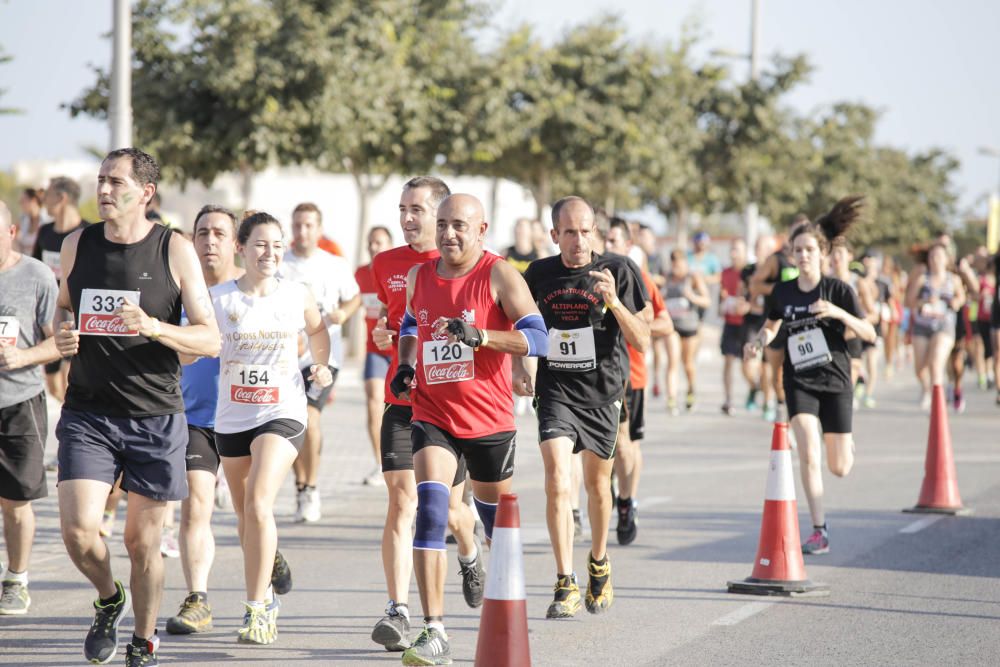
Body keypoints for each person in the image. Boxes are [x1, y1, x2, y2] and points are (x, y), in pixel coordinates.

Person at [53, 148, 220, 666]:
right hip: (88, 413)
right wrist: (60, 332)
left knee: (142, 542)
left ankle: (143, 641)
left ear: (145, 193)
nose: (104, 190)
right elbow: (63, 308)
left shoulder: (174, 249)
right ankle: (109, 597)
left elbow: (210, 339)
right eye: (100, 180)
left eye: (115, 182)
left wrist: (151, 326)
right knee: (81, 532)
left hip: (154, 415)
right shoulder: (77, 243)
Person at [389, 194, 547, 665]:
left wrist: (483, 337)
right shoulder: (421, 275)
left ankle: (505, 605)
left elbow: (538, 336)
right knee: (431, 510)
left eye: (459, 225)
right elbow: (412, 323)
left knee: (498, 526)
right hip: (432, 412)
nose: (448, 234)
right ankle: (433, 629)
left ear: (481, 229)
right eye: (442, 224)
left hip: (489, 419)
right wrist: (405, 364)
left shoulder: (498, 273)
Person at [520, 196, 649, 619]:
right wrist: (520, 369)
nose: (579, 240)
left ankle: (598, 562)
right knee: (558, 478)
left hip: (603, 392)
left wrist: (613, 302)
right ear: (554, 234)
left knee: (597, 485)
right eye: (569, 232)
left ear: (595, 230)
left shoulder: (621, 269)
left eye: (586, 230)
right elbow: (522, 327)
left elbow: (643, 339)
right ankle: (564, 581)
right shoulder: (538, 274)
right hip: (555, 389)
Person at [211, 211, 333, 645]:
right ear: (241, 248)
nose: (270, 252)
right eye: (261, 244)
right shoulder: (219, 298)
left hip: (282, 410)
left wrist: (320, 364)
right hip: (231, 417)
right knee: (246, 515)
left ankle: (258, 608)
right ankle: (269, 561)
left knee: (260, 503)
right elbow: (197, 345)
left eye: (277, 244)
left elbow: (319, 330)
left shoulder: (296, 293)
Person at [369, 177, 480, 652]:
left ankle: (469, 552)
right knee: (400, 500)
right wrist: (380, 338)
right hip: (403, 399)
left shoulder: (459, 264)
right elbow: (386, 321)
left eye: (417, 209)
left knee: (451, 513)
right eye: (403, 209)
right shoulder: (386, 264)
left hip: (451, 406)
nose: (408, 218)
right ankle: (398, 609)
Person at [744, 196, 875, 556]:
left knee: (840, 467)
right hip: (799, 379)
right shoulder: (783, 292)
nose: (802, 255)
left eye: (808, 250)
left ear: (822, 253)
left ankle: (845, 444)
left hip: (835, 380)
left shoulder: (838, 290)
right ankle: (820, 529)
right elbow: (771, 326)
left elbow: (870, 333)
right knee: (807, 450)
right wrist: (758, 342)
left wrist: (837, 313)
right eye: (797, 250)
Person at [163, 205, 248, 635]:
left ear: (235, 244)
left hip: (249, 419)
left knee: (249, 511)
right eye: (201, 233)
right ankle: (198, 599)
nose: (209, 241)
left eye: (218, 233)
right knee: (196, 503)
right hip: (195, 419)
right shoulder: (178, 294)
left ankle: (268, 558)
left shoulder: (251, 293)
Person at [278, 202, 360, 522]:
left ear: (319, 228)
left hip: (323, 357)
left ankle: (310, 487)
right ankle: (301, 485)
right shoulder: (281, 264)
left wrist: (344, 313)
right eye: (297, 225)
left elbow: (354, 296)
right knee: (293, 425)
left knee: (311, 418)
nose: (302, 231)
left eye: (309, 225)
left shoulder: (334, 264)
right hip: (284, 357)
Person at [0, 201, 60, 615]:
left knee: (15, 501)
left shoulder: (37, 277)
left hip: (20, 400)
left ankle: (17, 578)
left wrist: (23, 358)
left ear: (11, 233)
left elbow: (60, 340)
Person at [603, 218, 671, 546]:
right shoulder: (582, 277)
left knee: (626, 445)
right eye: (604, 240)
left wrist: (630, 322)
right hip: (594, 374)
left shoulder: (638, 278)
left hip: (632, 374)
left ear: (628, 246)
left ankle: (627, 500)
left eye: (614, 241)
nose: (607, 247)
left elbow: (665, 323)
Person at [35, 177, 90, 403]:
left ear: (61, 197)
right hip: (49, 313)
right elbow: (35, 268)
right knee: (55, 385)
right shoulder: (45, 232)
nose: (44, 201)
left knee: (71, 379)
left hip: (76, 314)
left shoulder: (88, 233)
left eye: (47, 195)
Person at [750, 214, 810, 422]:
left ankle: (799, 412)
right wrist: (779, 289)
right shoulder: (777, 259)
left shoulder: (813, 259)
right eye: (797, 231)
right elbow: (755, 285)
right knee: (777, 373)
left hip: (803, 323)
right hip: (777, 321)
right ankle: (780, 405)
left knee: (802, 370)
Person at [355, 225, 395, 486]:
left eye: (379, 243)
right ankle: (380, 462)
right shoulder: (360, 273)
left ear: (389, 245)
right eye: (370, 243)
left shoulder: (396, 271)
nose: (373, 247)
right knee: (373, 402)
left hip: (401, 349)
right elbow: (354, 304)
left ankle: (404, 459)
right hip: (374, 350)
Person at [906, 242, 966, 411]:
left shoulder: (953, 279)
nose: (935, 260)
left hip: (944, 326)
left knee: (936, 363)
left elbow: (961, 297)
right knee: (919, 368)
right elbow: (908, 302)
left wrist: (955, 302)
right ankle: (926, 389)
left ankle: (937, 402)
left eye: (939, 256)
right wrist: (924, 302)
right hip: (922, 326)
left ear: (946, 259)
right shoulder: (922, 278)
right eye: (932, 256)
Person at [663, 248, 710, 412]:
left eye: (679, 263)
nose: (676, 266)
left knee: (688, 363)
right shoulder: (667, 278)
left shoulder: (693, 277)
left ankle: (691, 389)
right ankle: (672, 399)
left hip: (690, 327)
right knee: (672, 362)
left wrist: (691, 296)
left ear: (685, 263)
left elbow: (707, 301)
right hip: (672, 326)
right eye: (674, 263)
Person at [719, 239, 757, 415]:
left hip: (746, 324)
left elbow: (754, 296)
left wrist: (746, 304)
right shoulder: (725, 272)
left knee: (746, 366)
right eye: (732, 249)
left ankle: (754, 386)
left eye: (738, 250)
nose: (734, 253)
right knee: (727, 361)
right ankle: (728, 400)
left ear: (745, 252)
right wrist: (723, 304)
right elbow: (723, 294)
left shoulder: (750, 271)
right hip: (729, 322)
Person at [16, 188, 44, 254]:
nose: (20, 203)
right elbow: (13, 237)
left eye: (23, 200)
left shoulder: (47, 221)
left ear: (33, 201)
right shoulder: (22, 219)